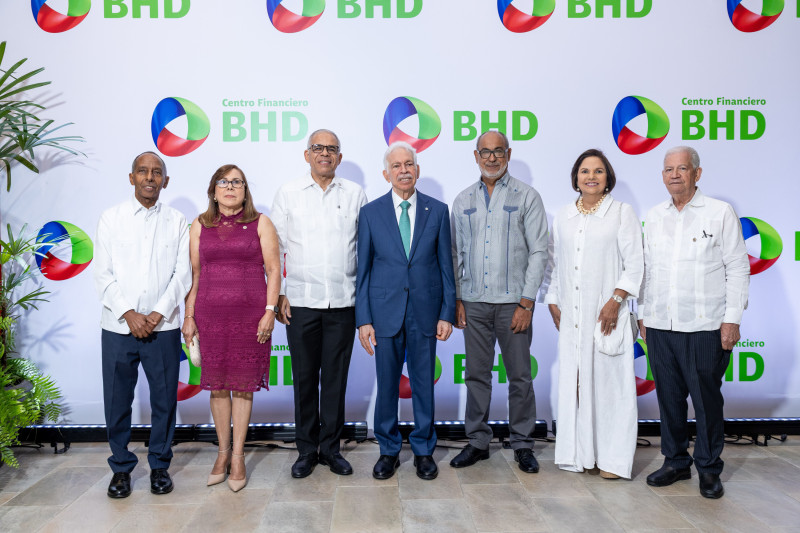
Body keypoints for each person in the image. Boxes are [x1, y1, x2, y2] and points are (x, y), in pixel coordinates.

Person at [639, 146, 749, 499]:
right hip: (660, 325)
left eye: (682, 168)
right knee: (669, 400)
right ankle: (675, 461)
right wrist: (642, 314)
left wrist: (732, 320)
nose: (674, 174)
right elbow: (646, 270)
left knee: (706, 402)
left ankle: (709, 468)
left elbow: (738, 268)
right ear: (662, 175)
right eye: (668, 169)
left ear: (697, 173)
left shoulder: (719, 212)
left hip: (706, 326)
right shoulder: (654, 215)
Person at [540, 149, 643, 479]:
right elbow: (554, 264)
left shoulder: (621, 213)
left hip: (607, 315)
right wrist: (552, 300)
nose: (591, 177)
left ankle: (612, 460)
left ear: (608, 177)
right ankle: (581, 455)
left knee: (611, 387)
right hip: (572, 317)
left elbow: (635, 264)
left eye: (598, 171)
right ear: (576, 177)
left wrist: (616, 299)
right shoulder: (564, 216)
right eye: (585, 171)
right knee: (576, 385)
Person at [356, 141, 456, 481]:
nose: (403, 170)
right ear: (386, 174)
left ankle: (424, 450)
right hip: (384, 313)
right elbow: (363, 270)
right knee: (387, 385)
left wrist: (447, 313)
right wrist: (364, 319)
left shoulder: (437, 211)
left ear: (417, 170)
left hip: (426, 313)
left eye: (408, 164)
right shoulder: (370, 213)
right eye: (396, 165)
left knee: (423, 384)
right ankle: (388, 450)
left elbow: (446, 267)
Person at [94, 151, 191, 498]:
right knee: (117, 401)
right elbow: (102, 274)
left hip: (162, 328)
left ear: (166, 180)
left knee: (164, 400)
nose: (150, 177)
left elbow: (183, 274)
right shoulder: (111, 218)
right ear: (131, 177)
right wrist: (129, 313)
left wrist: (158, 312)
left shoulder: (177, 221)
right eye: (143, 171)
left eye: (156, 172)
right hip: (118, 327)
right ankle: (121, 468)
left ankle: (160, 466)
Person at [450, 130, 548, 474]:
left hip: (513, 305)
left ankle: (522, 444)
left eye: (498, 151)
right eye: (485, 152)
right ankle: (478, 441)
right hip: (473, 303)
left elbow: (539, 251)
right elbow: (454, 254)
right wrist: (457, 299)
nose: (491, 158)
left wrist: (527, 302)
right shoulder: (462, 200)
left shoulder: (527, 196)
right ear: (475, 156)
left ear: (508, 153)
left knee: (520, 376)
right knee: (476, 375)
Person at [271, 129, 367, 478]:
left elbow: (365, 249)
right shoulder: (288, 193)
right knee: (304, 379)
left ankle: (331, 449)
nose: (324, 153)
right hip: (299, 302)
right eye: (318, 148)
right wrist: (279, 293)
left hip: (343, 301)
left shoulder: (355, 194)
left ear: (339, 157)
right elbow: (275, 250)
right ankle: (306, 450)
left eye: (331, 149)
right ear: (307, 154)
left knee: (336, 380)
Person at [182, 164, 281, 492]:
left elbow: (273, 269)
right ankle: (222, 453)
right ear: (213, 191)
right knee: (218, 387)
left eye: (237, 182)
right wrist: (189, 315)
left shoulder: (261, 222)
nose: (230, 187)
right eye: (223, 182)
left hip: (251, 318)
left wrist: (270, 311)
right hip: (210, 317)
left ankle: (238, 456)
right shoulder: (200, 224)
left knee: (242, 387)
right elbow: (195, 274)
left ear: (245, 190)